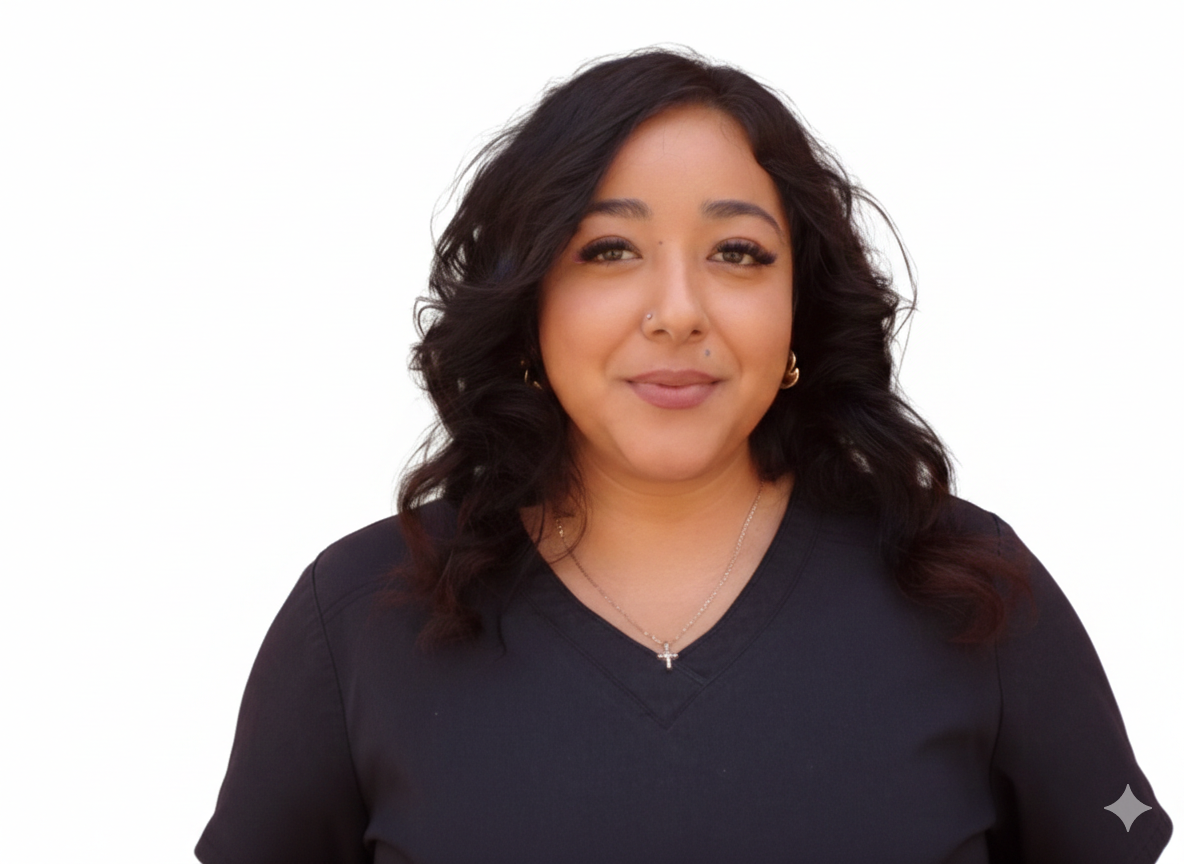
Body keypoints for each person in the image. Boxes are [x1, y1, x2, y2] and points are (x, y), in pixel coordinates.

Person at [196, 49, 1172, 863]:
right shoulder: (357, 618)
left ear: (800, 306)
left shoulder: (974, 592)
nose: (676, 312)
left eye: (736, 253)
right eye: (608, 251)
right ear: (529, 302)